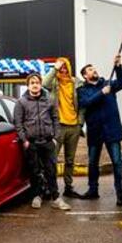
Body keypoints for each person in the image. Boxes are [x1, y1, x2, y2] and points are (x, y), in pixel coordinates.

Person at [13, 73, 72, 211]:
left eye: (37, 83)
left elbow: (56, 119)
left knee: (51, 170)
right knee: (34, 171)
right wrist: (24, 140)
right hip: (31, 143)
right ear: (28, 86)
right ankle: (37, 196)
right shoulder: (21, 102)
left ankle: (56, 198)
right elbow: (18, 123)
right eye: (32, 83)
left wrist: (55, 138)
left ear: (41, 84)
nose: (35, 85)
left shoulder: (49, 100)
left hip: (48, 141)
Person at [77, 54, 122, 206]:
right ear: (85, 76)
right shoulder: (82, 90)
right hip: (95, 131)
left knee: (117, 163)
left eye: (94, 68)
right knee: (93, 163)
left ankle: (120, 194)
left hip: (112, 130)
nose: (94, 71)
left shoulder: (108, 83)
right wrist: (101, 93)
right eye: (90, 70)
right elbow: (86, 103)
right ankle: (93, 190)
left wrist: (118, 67)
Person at [42, 57, 86, 199]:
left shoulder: (76, 82)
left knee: (70, 160)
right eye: (61, 68)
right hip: (58, 126)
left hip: (74, 127)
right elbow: (44, 83)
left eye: (65, 67)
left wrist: (80, 123)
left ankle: (68, 187)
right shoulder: (54, 82)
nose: (63, 70)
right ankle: (50, 188)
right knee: (52, 159)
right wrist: (54, 69)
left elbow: (82, 105)